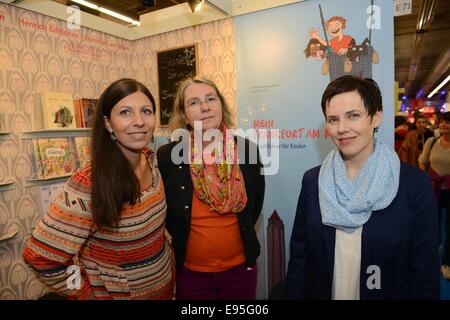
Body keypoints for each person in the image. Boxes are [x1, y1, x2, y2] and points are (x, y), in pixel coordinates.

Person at [285, 75, 440, 300]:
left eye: (353, 116)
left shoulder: (413, 185)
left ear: (376, 117)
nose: (341, 128)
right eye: (333, 119)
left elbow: (424, 275)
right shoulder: (313, 181)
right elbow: (300, 259)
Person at [23, 78, 175, 299]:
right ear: (107, 123)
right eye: (125, 112)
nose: (139, 121)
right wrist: (85, 294)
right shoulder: (89, 183)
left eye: (146, 111)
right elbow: (39, 257)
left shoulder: (153, 161)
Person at [157, 76, 265, 300]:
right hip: (191, 274)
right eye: (194, 103)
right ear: (184, 115)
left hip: (240, 271)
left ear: (221, 107)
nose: (205, 107)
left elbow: (254, 207)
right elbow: (169, 215)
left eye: (210, 99)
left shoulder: (248, 150)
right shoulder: (167, 156)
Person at [419, 111, 450, 280]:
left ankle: (447, 262)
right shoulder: (431, 142)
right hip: (433, 190)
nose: (444, 125)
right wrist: (425, 181)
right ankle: (430, 257)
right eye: (443, 122)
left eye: (448, 122)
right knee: (431, 224)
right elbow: (422, 162)